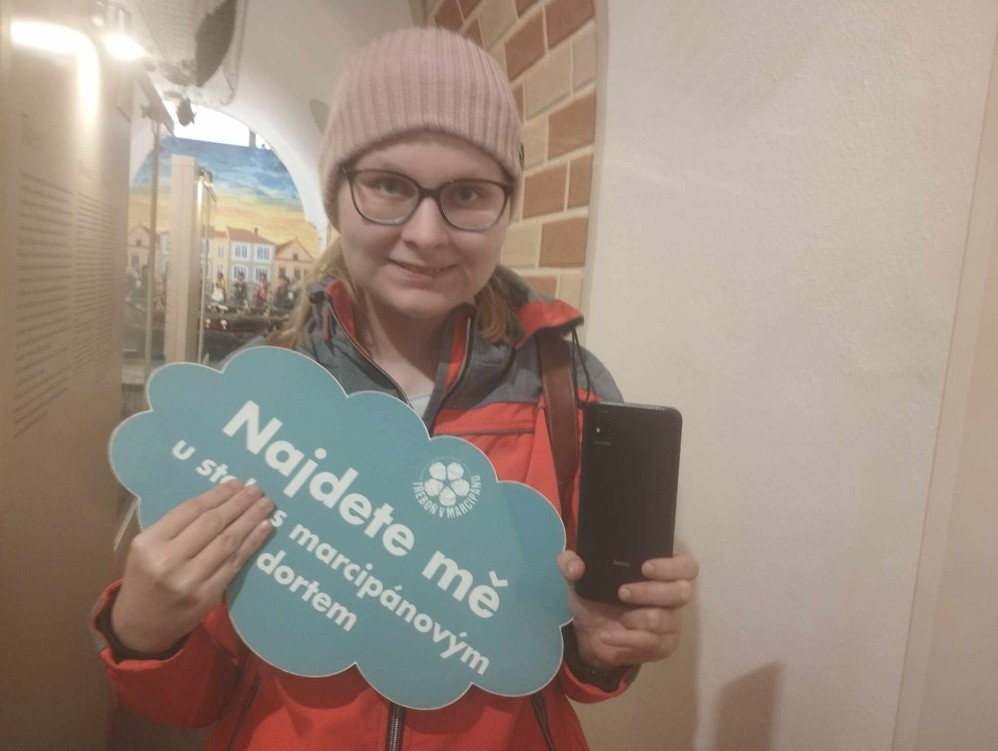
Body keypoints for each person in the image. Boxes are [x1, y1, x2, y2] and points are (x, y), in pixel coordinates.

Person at [91, 27, 698, 751]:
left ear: (507, 206)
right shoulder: (255, 401)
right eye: (388, 185)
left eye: (467, 193)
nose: (427, 233)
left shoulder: (572, 395)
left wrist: (603, 646)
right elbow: (209, 695)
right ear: (337, 195)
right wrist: (144, 632)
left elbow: (565, 666)